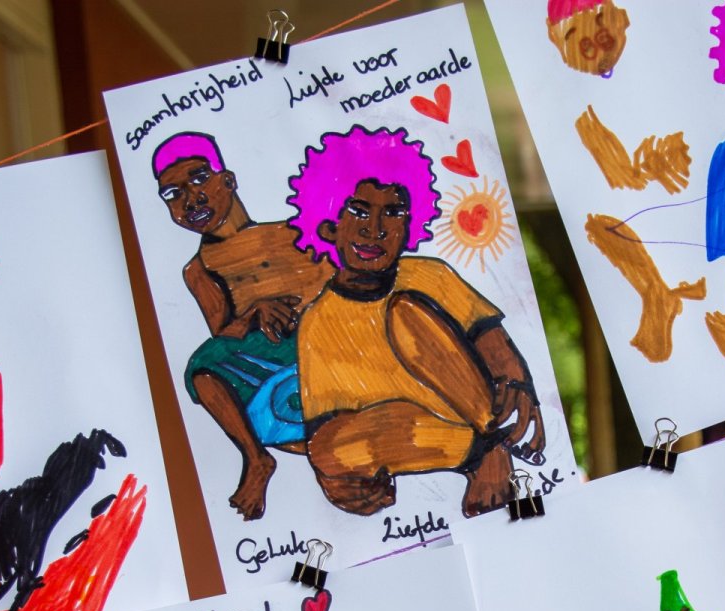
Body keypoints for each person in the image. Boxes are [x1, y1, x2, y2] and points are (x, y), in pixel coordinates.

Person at [285, 126, 546, 518]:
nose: (375, 229)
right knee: (326, 449)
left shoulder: (429, 276)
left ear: (410, 226)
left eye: (393, 213)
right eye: (359, 211)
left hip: (473, 408)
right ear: (329, 226)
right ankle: (482, 451)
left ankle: (492, 441)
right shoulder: (318, 321)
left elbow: (491, 340)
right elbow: (327, 432)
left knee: (405, 312)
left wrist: (517, 384)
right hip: (411, 437)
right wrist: (337, 481)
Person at [153, 133, 332, 520]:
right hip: (276, 364)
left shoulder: (294, 231)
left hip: (332, 345)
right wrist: (253, 314)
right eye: (173, 194)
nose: (191, 199)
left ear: (228, 180)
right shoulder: (198, 270)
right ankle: (255, 458)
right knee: (202, 365)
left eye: (199, 179)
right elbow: (223, 336)